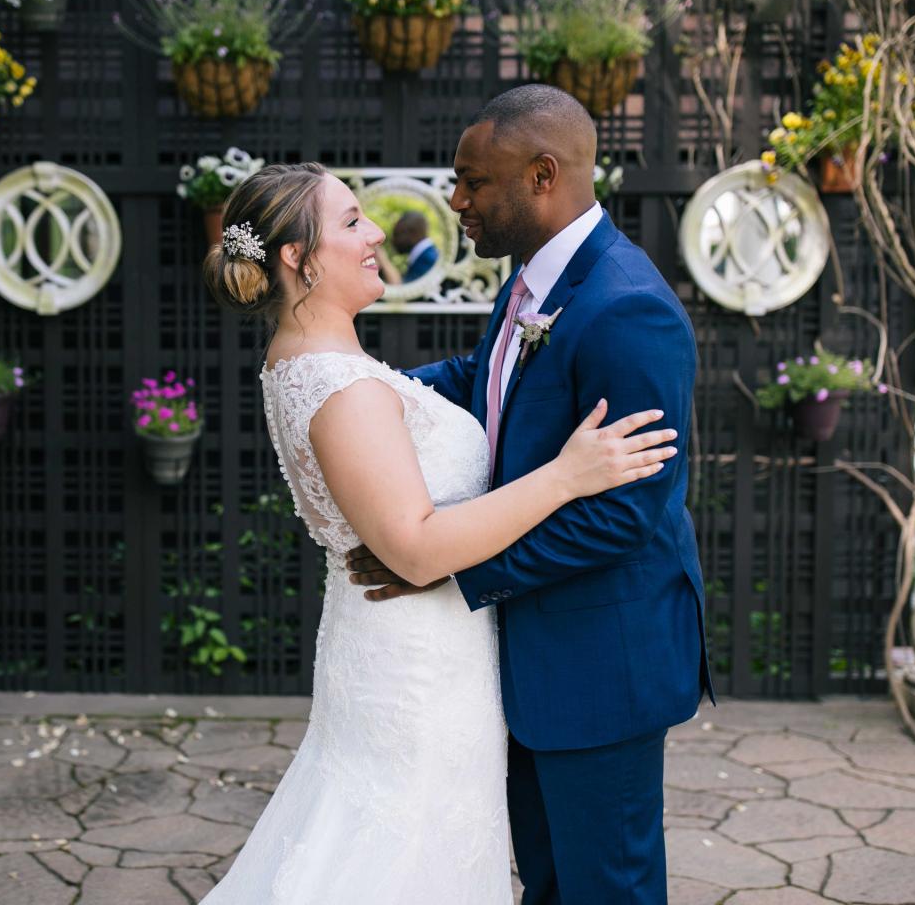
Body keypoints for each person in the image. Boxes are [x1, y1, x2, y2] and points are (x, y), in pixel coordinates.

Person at [197, 159, 678, 904]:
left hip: (410, 653)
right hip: (415, 670)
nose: (376, 231)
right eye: (351, 220)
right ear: (298, 257)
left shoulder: (320, 369)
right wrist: (566, 475)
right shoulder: (344, 389)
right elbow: (416, 549)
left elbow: (445, 386)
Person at [349, 84, 714, 904]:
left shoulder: (628, 310)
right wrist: (356, 389)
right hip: (536, 658)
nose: (457, 201)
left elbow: (623, 515)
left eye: (473, 181)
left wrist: (449, 567)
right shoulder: (536, 281)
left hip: (601, 662)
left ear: (542, 175)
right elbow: (487, 380)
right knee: (550, 886)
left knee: (606, 890)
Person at [392, 209, 439, 283]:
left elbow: (404, 287)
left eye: (397, 234)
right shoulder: (422, 257)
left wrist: (383, 259)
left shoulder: (428, 260)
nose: (393, 241)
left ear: (413, 233)